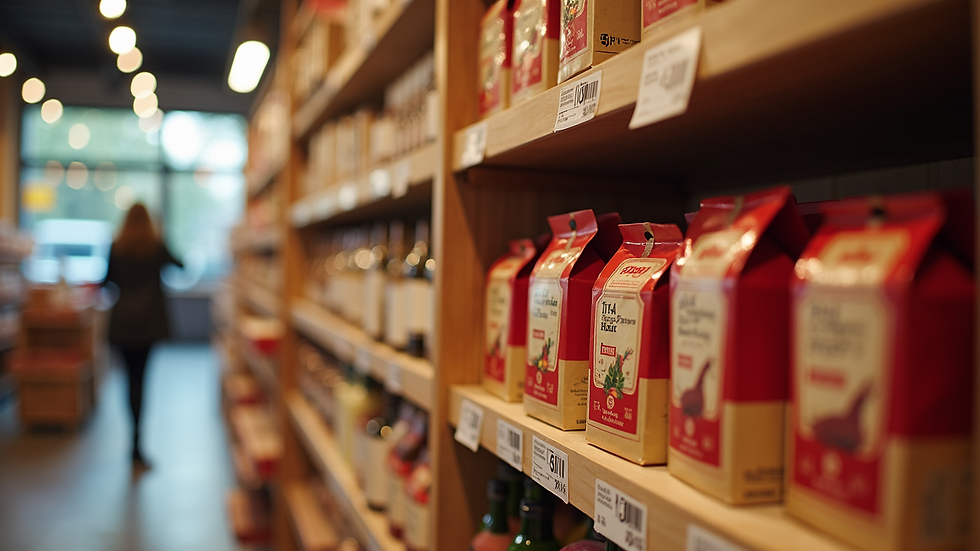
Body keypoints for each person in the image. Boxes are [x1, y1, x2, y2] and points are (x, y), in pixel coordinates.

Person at [101, 203, 183, 469]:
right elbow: (181, 265)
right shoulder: (156, 246)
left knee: (128, 382)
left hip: (123, 323)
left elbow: (106, 281)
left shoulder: (117, 246)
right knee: (142, 380)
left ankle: (131, 441)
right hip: (149, 324)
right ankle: (138, 446)